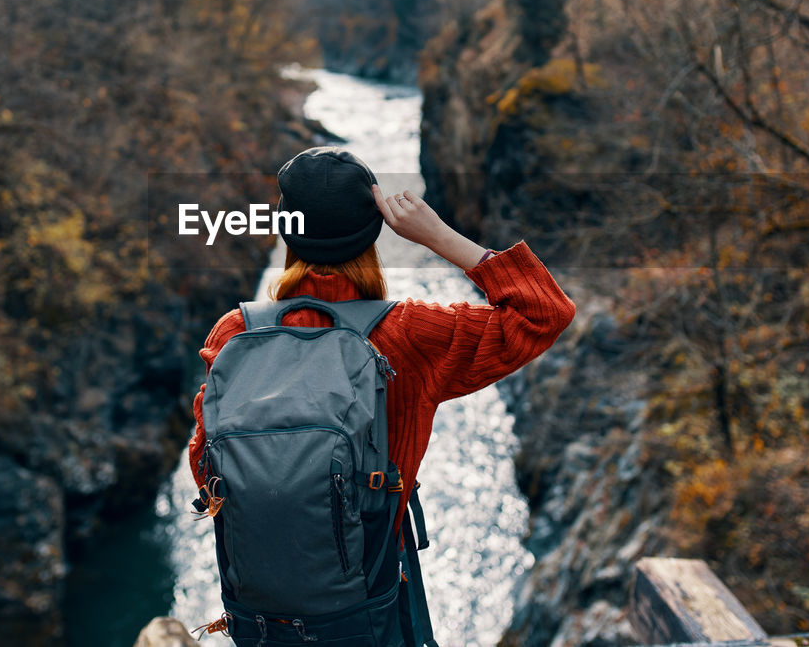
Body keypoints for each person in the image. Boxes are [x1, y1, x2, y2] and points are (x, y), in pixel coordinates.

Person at [187, 146, 576, 643]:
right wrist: (438, 236)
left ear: (286, 230)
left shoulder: (233, 333)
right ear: (373, 230)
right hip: (367, 608)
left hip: (260, 614)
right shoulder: (408, 334)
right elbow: (543, 313)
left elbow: (206, 466)